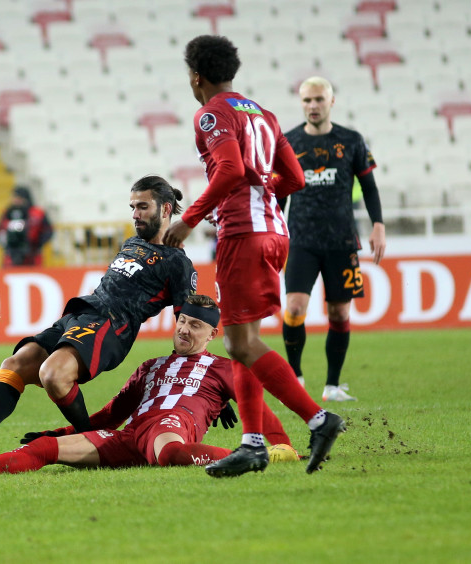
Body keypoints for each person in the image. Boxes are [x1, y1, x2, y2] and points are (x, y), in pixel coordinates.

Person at [162, 35, 345, 477]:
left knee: (240, 342)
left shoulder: (211, 114)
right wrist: (260, 200)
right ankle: (252, 444)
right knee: (241, 341)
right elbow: (295, 178)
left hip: (244, 235)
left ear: (196, 76)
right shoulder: (263, 113)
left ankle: (319, 420)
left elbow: (230, 169)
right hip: (274, 233)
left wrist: (189, 219)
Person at [0, 175, 197, 460]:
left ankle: (91, 441)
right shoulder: (131, 242)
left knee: (53, 375)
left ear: (166, 209)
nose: (135, 215)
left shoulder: (178, 262)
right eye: (132, 208)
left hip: (112, 325)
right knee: (16, 363)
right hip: (80, 313)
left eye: (143, 207)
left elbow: (188, 322)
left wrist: (193, 373)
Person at [0, 295, 300, 478]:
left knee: (170, 453)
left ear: (213, 333)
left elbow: (258, 409)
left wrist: (282, 445)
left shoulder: (224, 368)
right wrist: (59, 431)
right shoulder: (150, 366)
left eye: (195, 325)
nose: (184, 328)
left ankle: (253, 456)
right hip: (132, 436)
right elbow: (111, 415)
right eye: (182, 320)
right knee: (43, 448)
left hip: (172, 427)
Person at [280, 76, 386, 403]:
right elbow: (279, 192)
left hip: (341, 240)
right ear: (301, 103)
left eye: (318, 100)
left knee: (339, 313)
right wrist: (275, 232)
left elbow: (369, 186)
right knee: (295, 307)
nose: (312, 106)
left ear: (331, 101)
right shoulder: (288, 142)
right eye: (307, 101)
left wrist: (378, 224)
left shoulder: (352, 140)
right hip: (301, 239)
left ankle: (332, 386)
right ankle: (295, 377)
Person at [0, 185, 53, 267]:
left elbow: (48, 231)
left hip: (33, 256)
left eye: (18, 198)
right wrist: (7, 244)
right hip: (11, 256)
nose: (15, 200)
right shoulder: (8, 213)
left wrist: (37, 244)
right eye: (14, 197)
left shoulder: (37, 213)